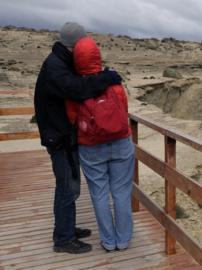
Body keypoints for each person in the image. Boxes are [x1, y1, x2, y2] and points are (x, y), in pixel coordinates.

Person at [34, 22, 122, 254]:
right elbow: (77, 89)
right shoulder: (56, 67)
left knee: (70, 186)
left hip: (62, 135)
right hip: (60, 139)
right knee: (67, 188)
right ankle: (63, 239)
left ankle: (68, 228)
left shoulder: (59, 61)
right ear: (76, 46)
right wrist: (107, 79)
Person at [66, 36, 134, 252]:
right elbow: (123, 109)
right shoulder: (114, 82)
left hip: (91, 146)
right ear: (98, 56)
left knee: (99, 194)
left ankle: (108, 240)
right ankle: (123, 240)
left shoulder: (75, 88)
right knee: (122, 192)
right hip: (121, 142)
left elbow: (71, 117)